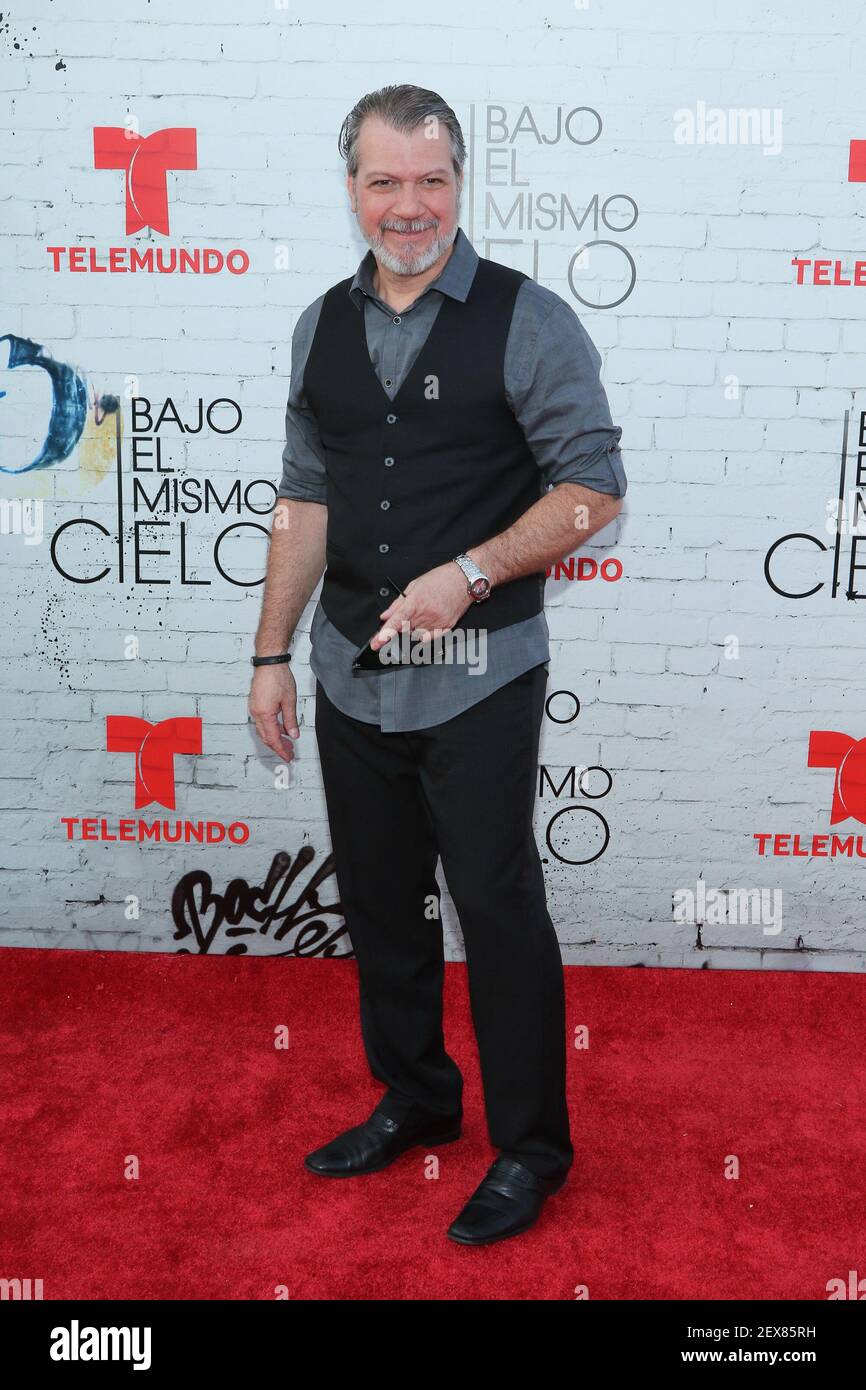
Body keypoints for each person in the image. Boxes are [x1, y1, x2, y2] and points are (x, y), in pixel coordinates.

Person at [248, 84, 626, 1246]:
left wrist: (467, 572)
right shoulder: (318, 325)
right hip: (348, 678)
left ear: (460, 184)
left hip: (479, 678)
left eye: (430, 181)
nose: (407, 207)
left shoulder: (528, 318)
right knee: (381, 908)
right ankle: (416, 1099)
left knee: (497, 909)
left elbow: (593, 495)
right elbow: (304, 501)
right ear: (352, 187)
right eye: (382, 181)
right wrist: (270, 651)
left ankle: (530, 1148)